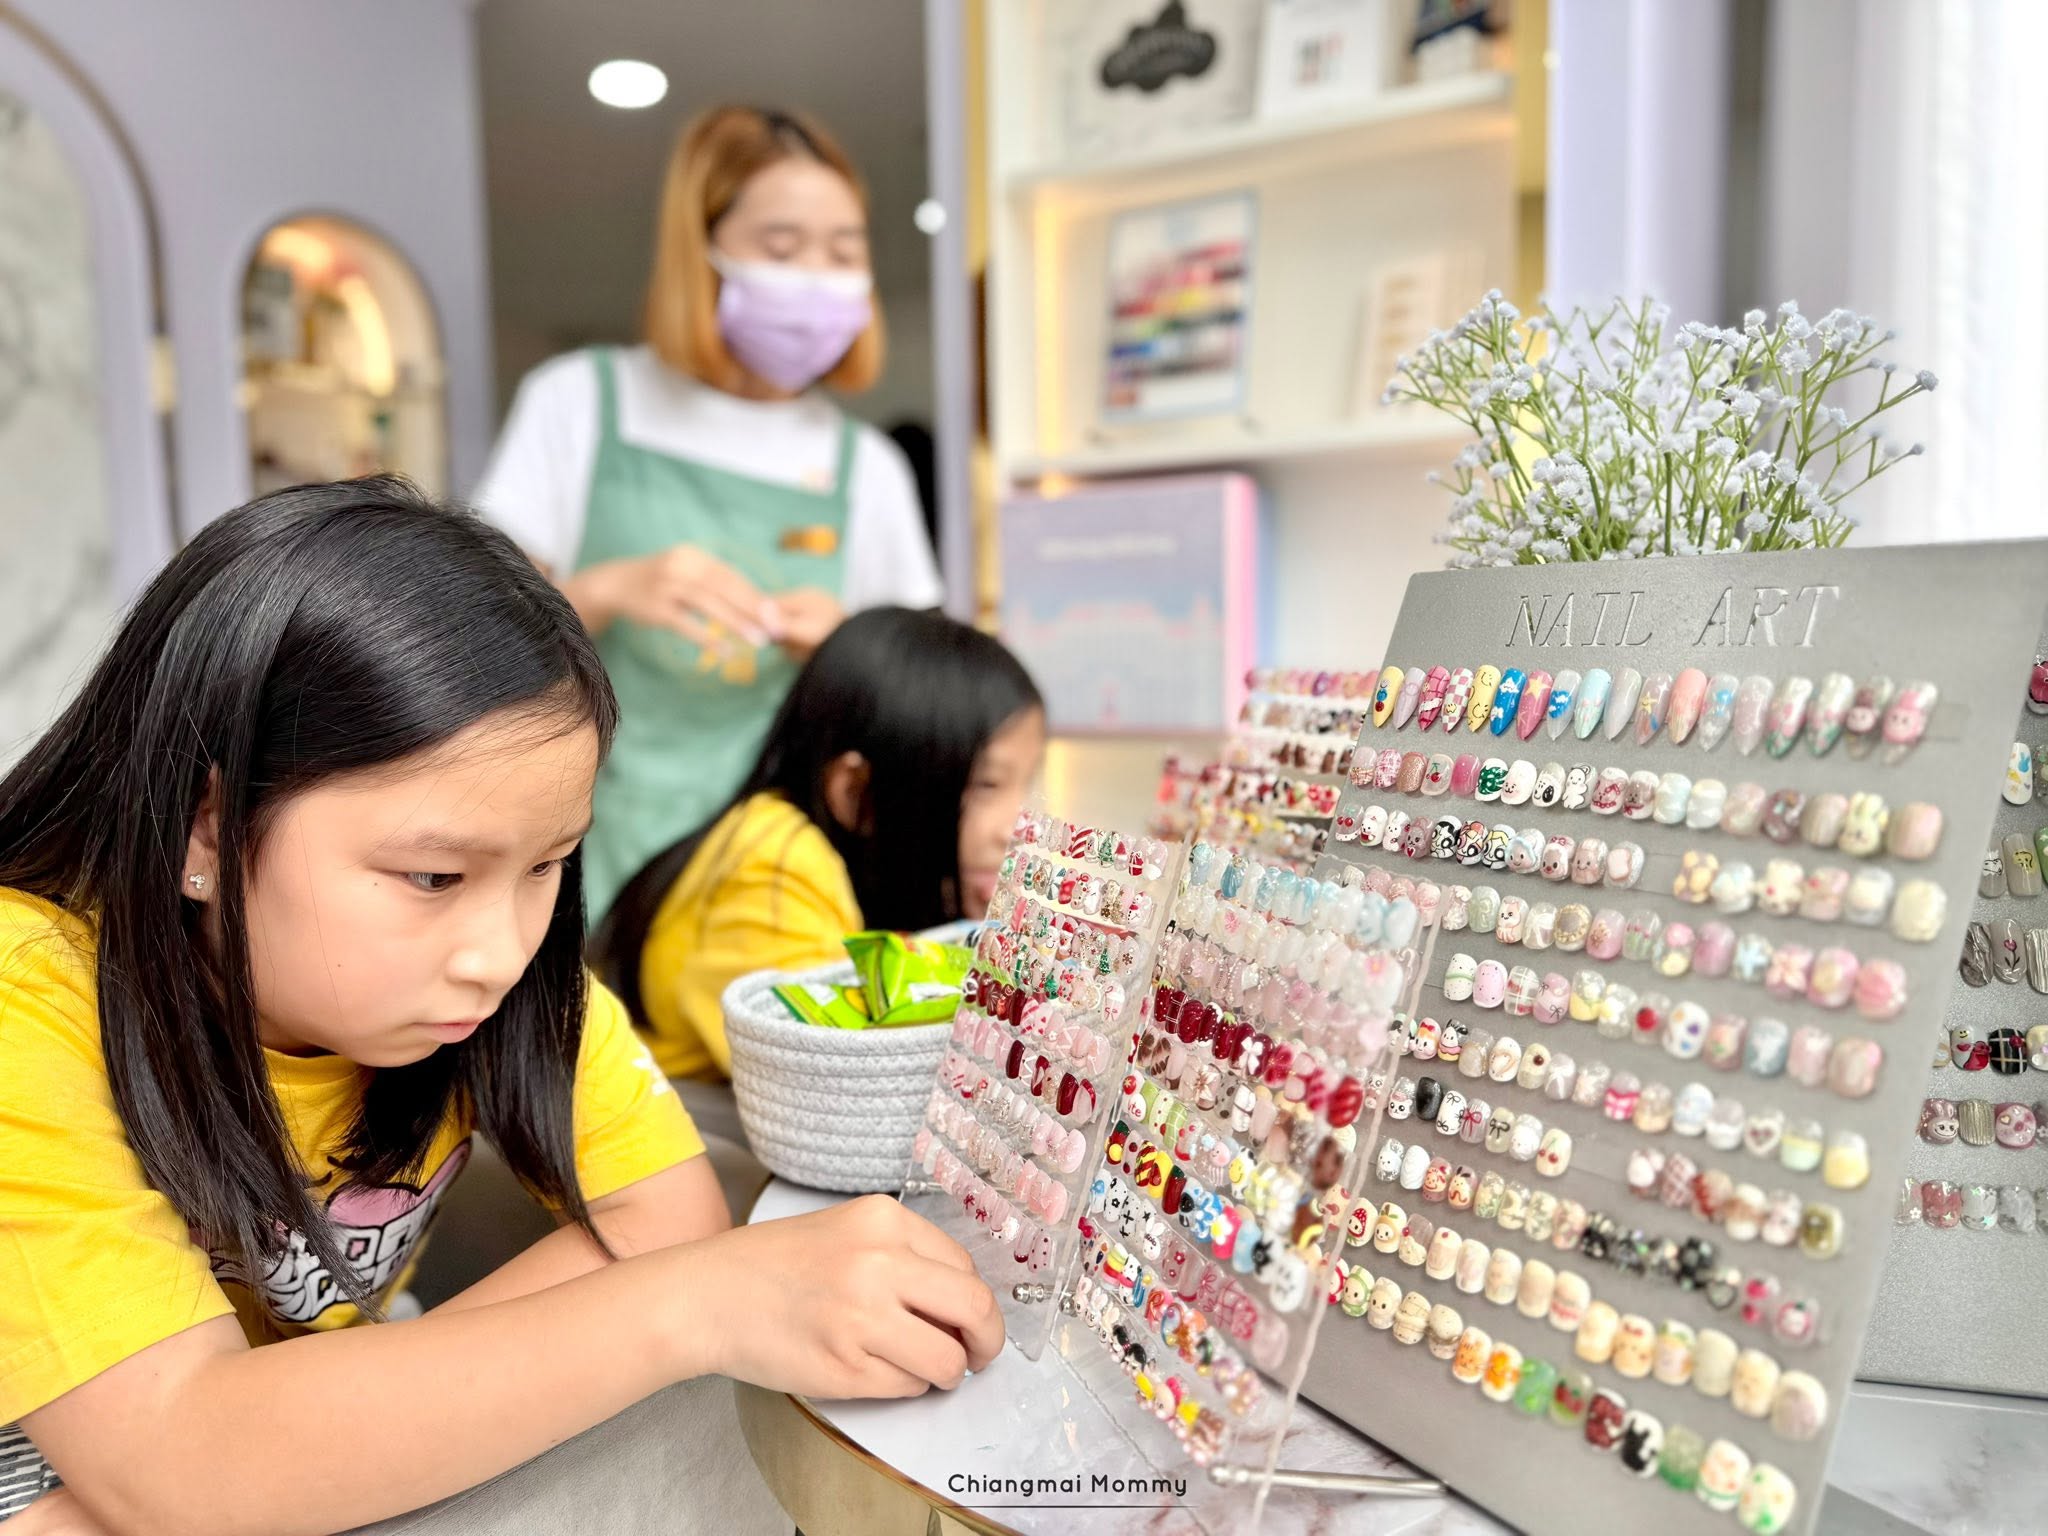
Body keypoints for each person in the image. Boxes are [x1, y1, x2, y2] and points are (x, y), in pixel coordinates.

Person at [0, 479, 1000, 1535]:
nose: (500, 953)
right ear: (206, 828)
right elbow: (182, 1455)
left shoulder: (499, 981)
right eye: (432, 877)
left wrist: (305, 1437)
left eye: (547, 865)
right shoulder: (28, 993)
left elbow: (667, 1218)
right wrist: (690, 1305)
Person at [477, 104, 941, 921]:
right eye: (782, 248)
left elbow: (922, 705)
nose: (817, 278)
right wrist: (607, 589)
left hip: (775, 874)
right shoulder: (580, 402)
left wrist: (845, 649)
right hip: (583, 845)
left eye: (844, 252)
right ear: (703, 252)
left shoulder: (866, 468)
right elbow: (466, 640)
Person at [592, 607, 1045, 1085]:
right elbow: (842, 1085)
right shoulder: (776, 868)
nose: (1018, 828)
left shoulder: (797, 843)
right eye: (987, 784)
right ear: (855, 792)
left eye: (1027, 783)